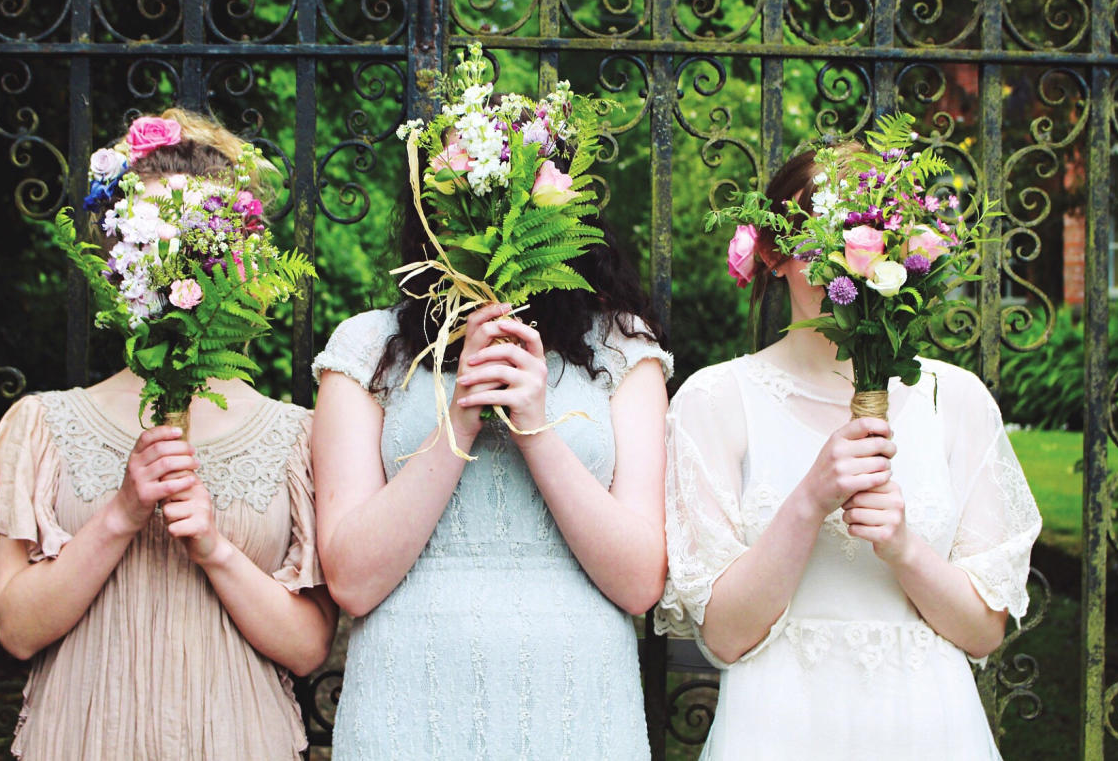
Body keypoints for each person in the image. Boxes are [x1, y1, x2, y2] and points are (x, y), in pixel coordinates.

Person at [0, 108, 336, 761]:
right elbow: (16, 629)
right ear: (117, 254)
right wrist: (121, 513)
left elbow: (308, 647)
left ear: (242, 254)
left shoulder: (294, 436)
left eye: (202, 233)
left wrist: (216, 547)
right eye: (156, 231)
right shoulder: (42, 424)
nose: (180, 254)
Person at [656, 147, 1042, 760]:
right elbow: (724, 638)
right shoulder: (714, 401)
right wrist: (808, 502)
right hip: (777, 726)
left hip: (929, 727)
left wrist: (905, 550)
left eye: (861, 242)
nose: (844, 268)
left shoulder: (956, 400)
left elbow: (982, 633)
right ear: (773, 255)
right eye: (818, 242)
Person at [312, 146, 672, 758]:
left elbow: (640, 583)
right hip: (409, 706)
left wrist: (535, 427)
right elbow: (350, 580)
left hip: (576, 707)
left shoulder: (622, 346)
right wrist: (460, 415)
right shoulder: (369, 346)